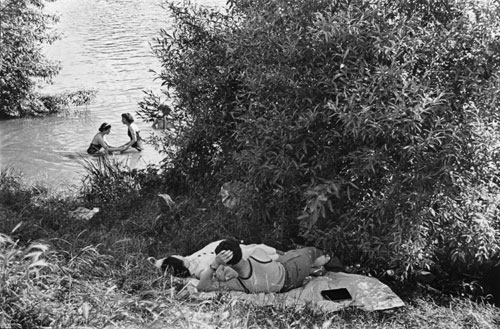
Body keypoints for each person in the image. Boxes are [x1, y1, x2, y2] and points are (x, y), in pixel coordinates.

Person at [196, 239, 330, 293]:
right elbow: (276, 254)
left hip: (286, 287)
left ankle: (314, 270)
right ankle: (327, 259)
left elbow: (202, 287)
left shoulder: (237, 284)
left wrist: (215, 265)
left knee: (285, 257)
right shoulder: (256, 254)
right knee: (312, 252)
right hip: (292, 270)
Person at [149, 240, 281, 281]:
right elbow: (209, 275)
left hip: (225, 252)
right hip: (229, 258)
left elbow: (164, 263)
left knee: (257, 248)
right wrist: (216, 266)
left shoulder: (189, 260)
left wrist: (154, 262)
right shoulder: (198, 271)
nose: (185, 257)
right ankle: (281, 256)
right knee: (261, 251)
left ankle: (280, 253)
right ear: (183, 265)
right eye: (183, 259)